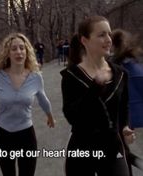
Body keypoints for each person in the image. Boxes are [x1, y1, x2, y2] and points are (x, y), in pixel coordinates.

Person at [60, 16, 135, 176]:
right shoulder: (71, 76)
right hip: (82, 150)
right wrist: (96, 87)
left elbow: (124, 108)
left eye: (109, 34)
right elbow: (73, 117)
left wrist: (126, 127)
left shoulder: (121, 74)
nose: (108, 39)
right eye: (101, 35)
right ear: (84, 40)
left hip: (113, 148)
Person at [0, 32, 55, 176]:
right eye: (14, 48)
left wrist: (50, 116)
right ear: (7, 53)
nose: (18, 52)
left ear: (27, 51)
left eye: (22, 48)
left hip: (26, 136)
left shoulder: (35, 77)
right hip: (4, 136)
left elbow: (43, 100)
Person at [111, 28, 143, 175]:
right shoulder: (138, 67)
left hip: (122, 121)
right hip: (137, 118)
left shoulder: (111, 69)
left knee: (121, 154)